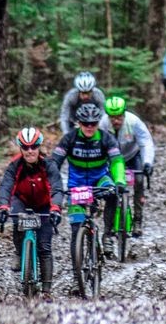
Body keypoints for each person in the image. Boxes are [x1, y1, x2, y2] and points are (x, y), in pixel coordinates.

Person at [49, 102, 128, 263]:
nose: (89, 127)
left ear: (98, 123)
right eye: (85, 123)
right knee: (76, 230)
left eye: (93, 123)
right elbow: (54, 163)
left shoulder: (106, 138)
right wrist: (50, 183)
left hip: (100, 179)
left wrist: (119, 180)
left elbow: (117, 161)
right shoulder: (69, 139)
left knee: (113, 194)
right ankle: (77, 277)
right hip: (76, 185)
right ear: (79, 123)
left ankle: (107, 234)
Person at [0, 127, 63, 297]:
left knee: (44, 247)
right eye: (25, 147)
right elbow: (6, 186)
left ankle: (46, 291)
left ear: (39, 147)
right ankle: (19, 251)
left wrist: (55, 208)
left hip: (44, 204)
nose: (29, 151)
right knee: (18, 221)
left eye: (33, 147)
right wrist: (3, 206)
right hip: (22, 201)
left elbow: (56, 188)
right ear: (20, 148)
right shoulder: (15, 165)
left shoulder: (49, 165)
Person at [100, 96, 155, 238]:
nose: (116, 121)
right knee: (109, 189)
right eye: (112, 118)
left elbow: (146, 142)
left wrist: (147, 163)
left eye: (119, 117)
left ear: (124, 114)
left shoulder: (134, 122)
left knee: (139, 181)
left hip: (132, 155)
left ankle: (137, 220)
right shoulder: (103, 124)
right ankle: (109, 225)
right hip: (111, 159)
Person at [59, 71, 107, 135]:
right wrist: (66, 133)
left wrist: (102, 131)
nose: (85, 96)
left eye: (88, 92)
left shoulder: (98, 95)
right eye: (83, 93)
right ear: (78, 91)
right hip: (74, 122)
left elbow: (103, 114)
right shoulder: (71, 96)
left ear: (92, 90)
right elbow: (64, 117)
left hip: (93, 123)